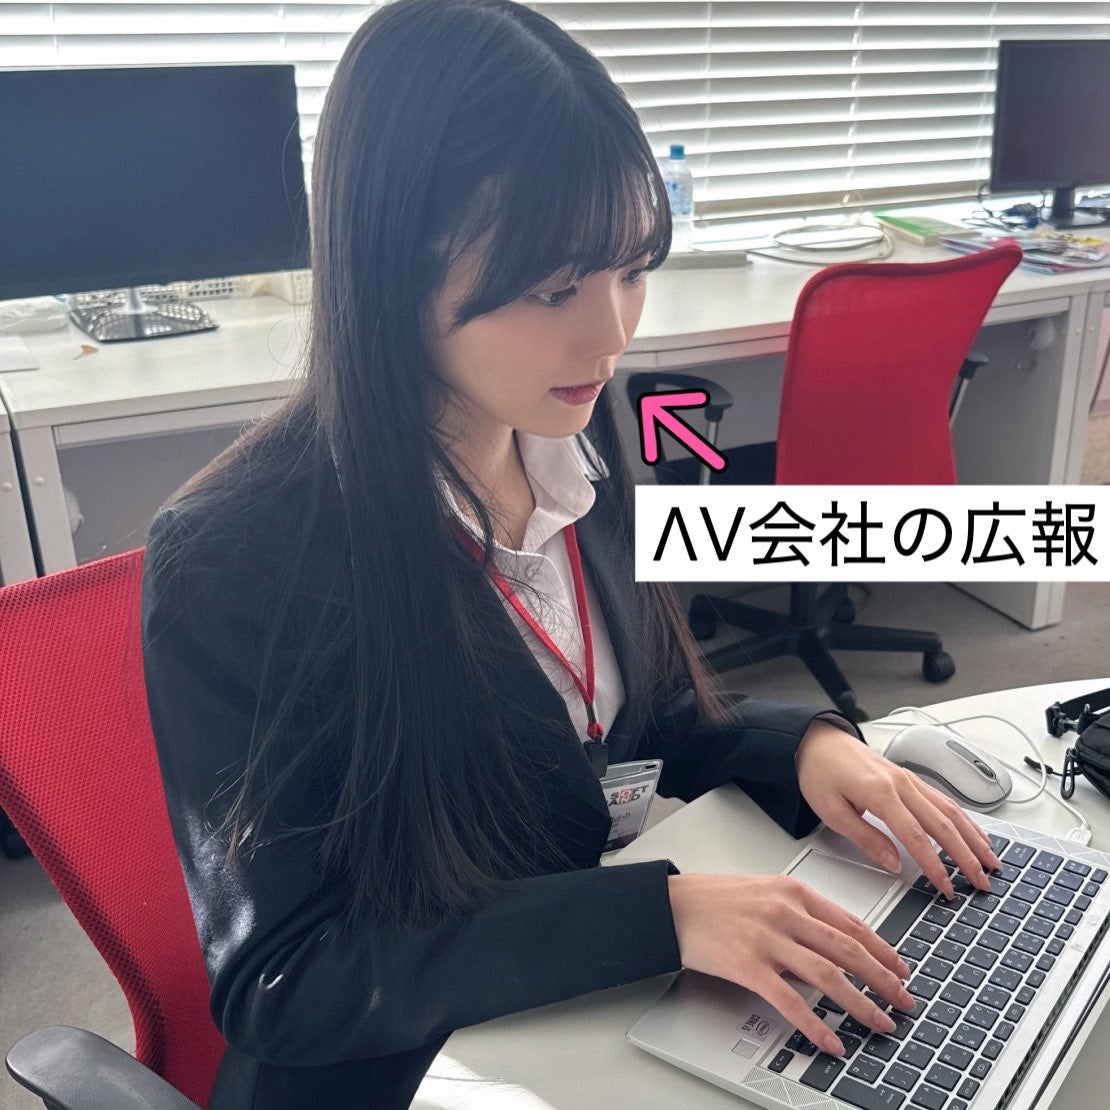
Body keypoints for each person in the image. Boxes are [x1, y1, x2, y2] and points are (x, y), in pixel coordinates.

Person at [139, 1, 1001, 1106]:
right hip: (404, 1069)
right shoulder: (235, 559)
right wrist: (662, 914)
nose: (612, 335)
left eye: (632, 271)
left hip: (578, 1009)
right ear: (392, 269)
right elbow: (289, 977)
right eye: (554, 289)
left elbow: (636, 717)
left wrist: (807, 749)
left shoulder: (574, 429)